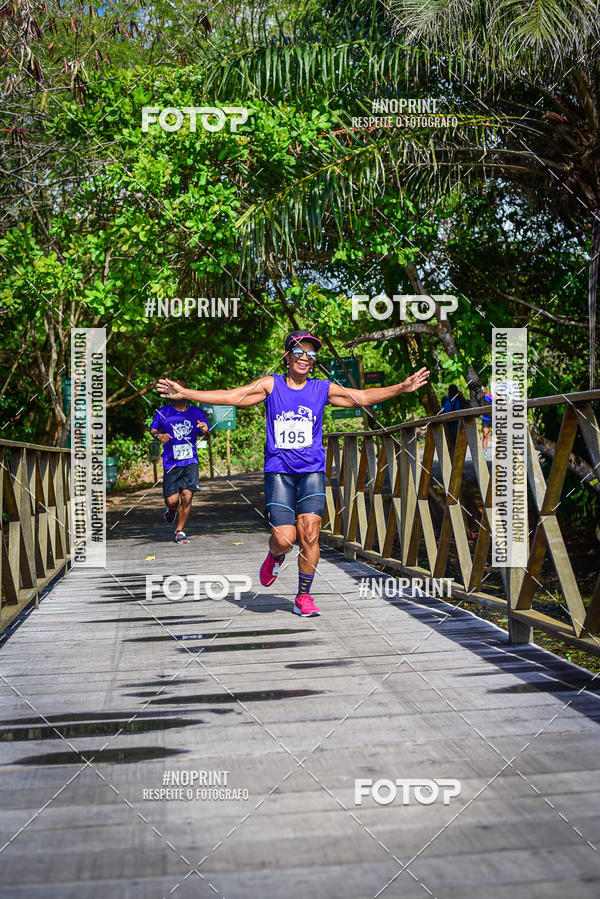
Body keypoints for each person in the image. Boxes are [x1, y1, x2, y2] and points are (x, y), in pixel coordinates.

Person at [157, 330, 429, 615]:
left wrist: (401, 387)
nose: (305, 358)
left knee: (310, 532)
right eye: (299, 352)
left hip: (312, 469)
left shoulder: (322, 388)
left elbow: (361, 396)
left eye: (311, 354)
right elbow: (233, 396)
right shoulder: (271, 385)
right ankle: (274, 556)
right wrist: (187, 393)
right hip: (280, 471)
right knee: (285, 539)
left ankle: (303, 596)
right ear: (287, 356)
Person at [149, 379, 209, 544]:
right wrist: (158, 436)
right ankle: (171, 510)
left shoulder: (196, 412)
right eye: (172, 389)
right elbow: (153, 429)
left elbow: (206, 433)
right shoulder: (163, 412)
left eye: (179, 389)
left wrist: (205, 431)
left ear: (186, 392)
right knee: (173, 500)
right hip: (171, 462)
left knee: (187, 496)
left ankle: (179, 531)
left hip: (190, 461)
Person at [481, 386, 493, 458]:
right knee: (485, 435)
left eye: (482, 391)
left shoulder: (490, 396)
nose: (481, 392)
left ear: (486, 390)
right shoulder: (480, 399)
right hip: (485, 419)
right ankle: (484, 452)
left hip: (493, 418)